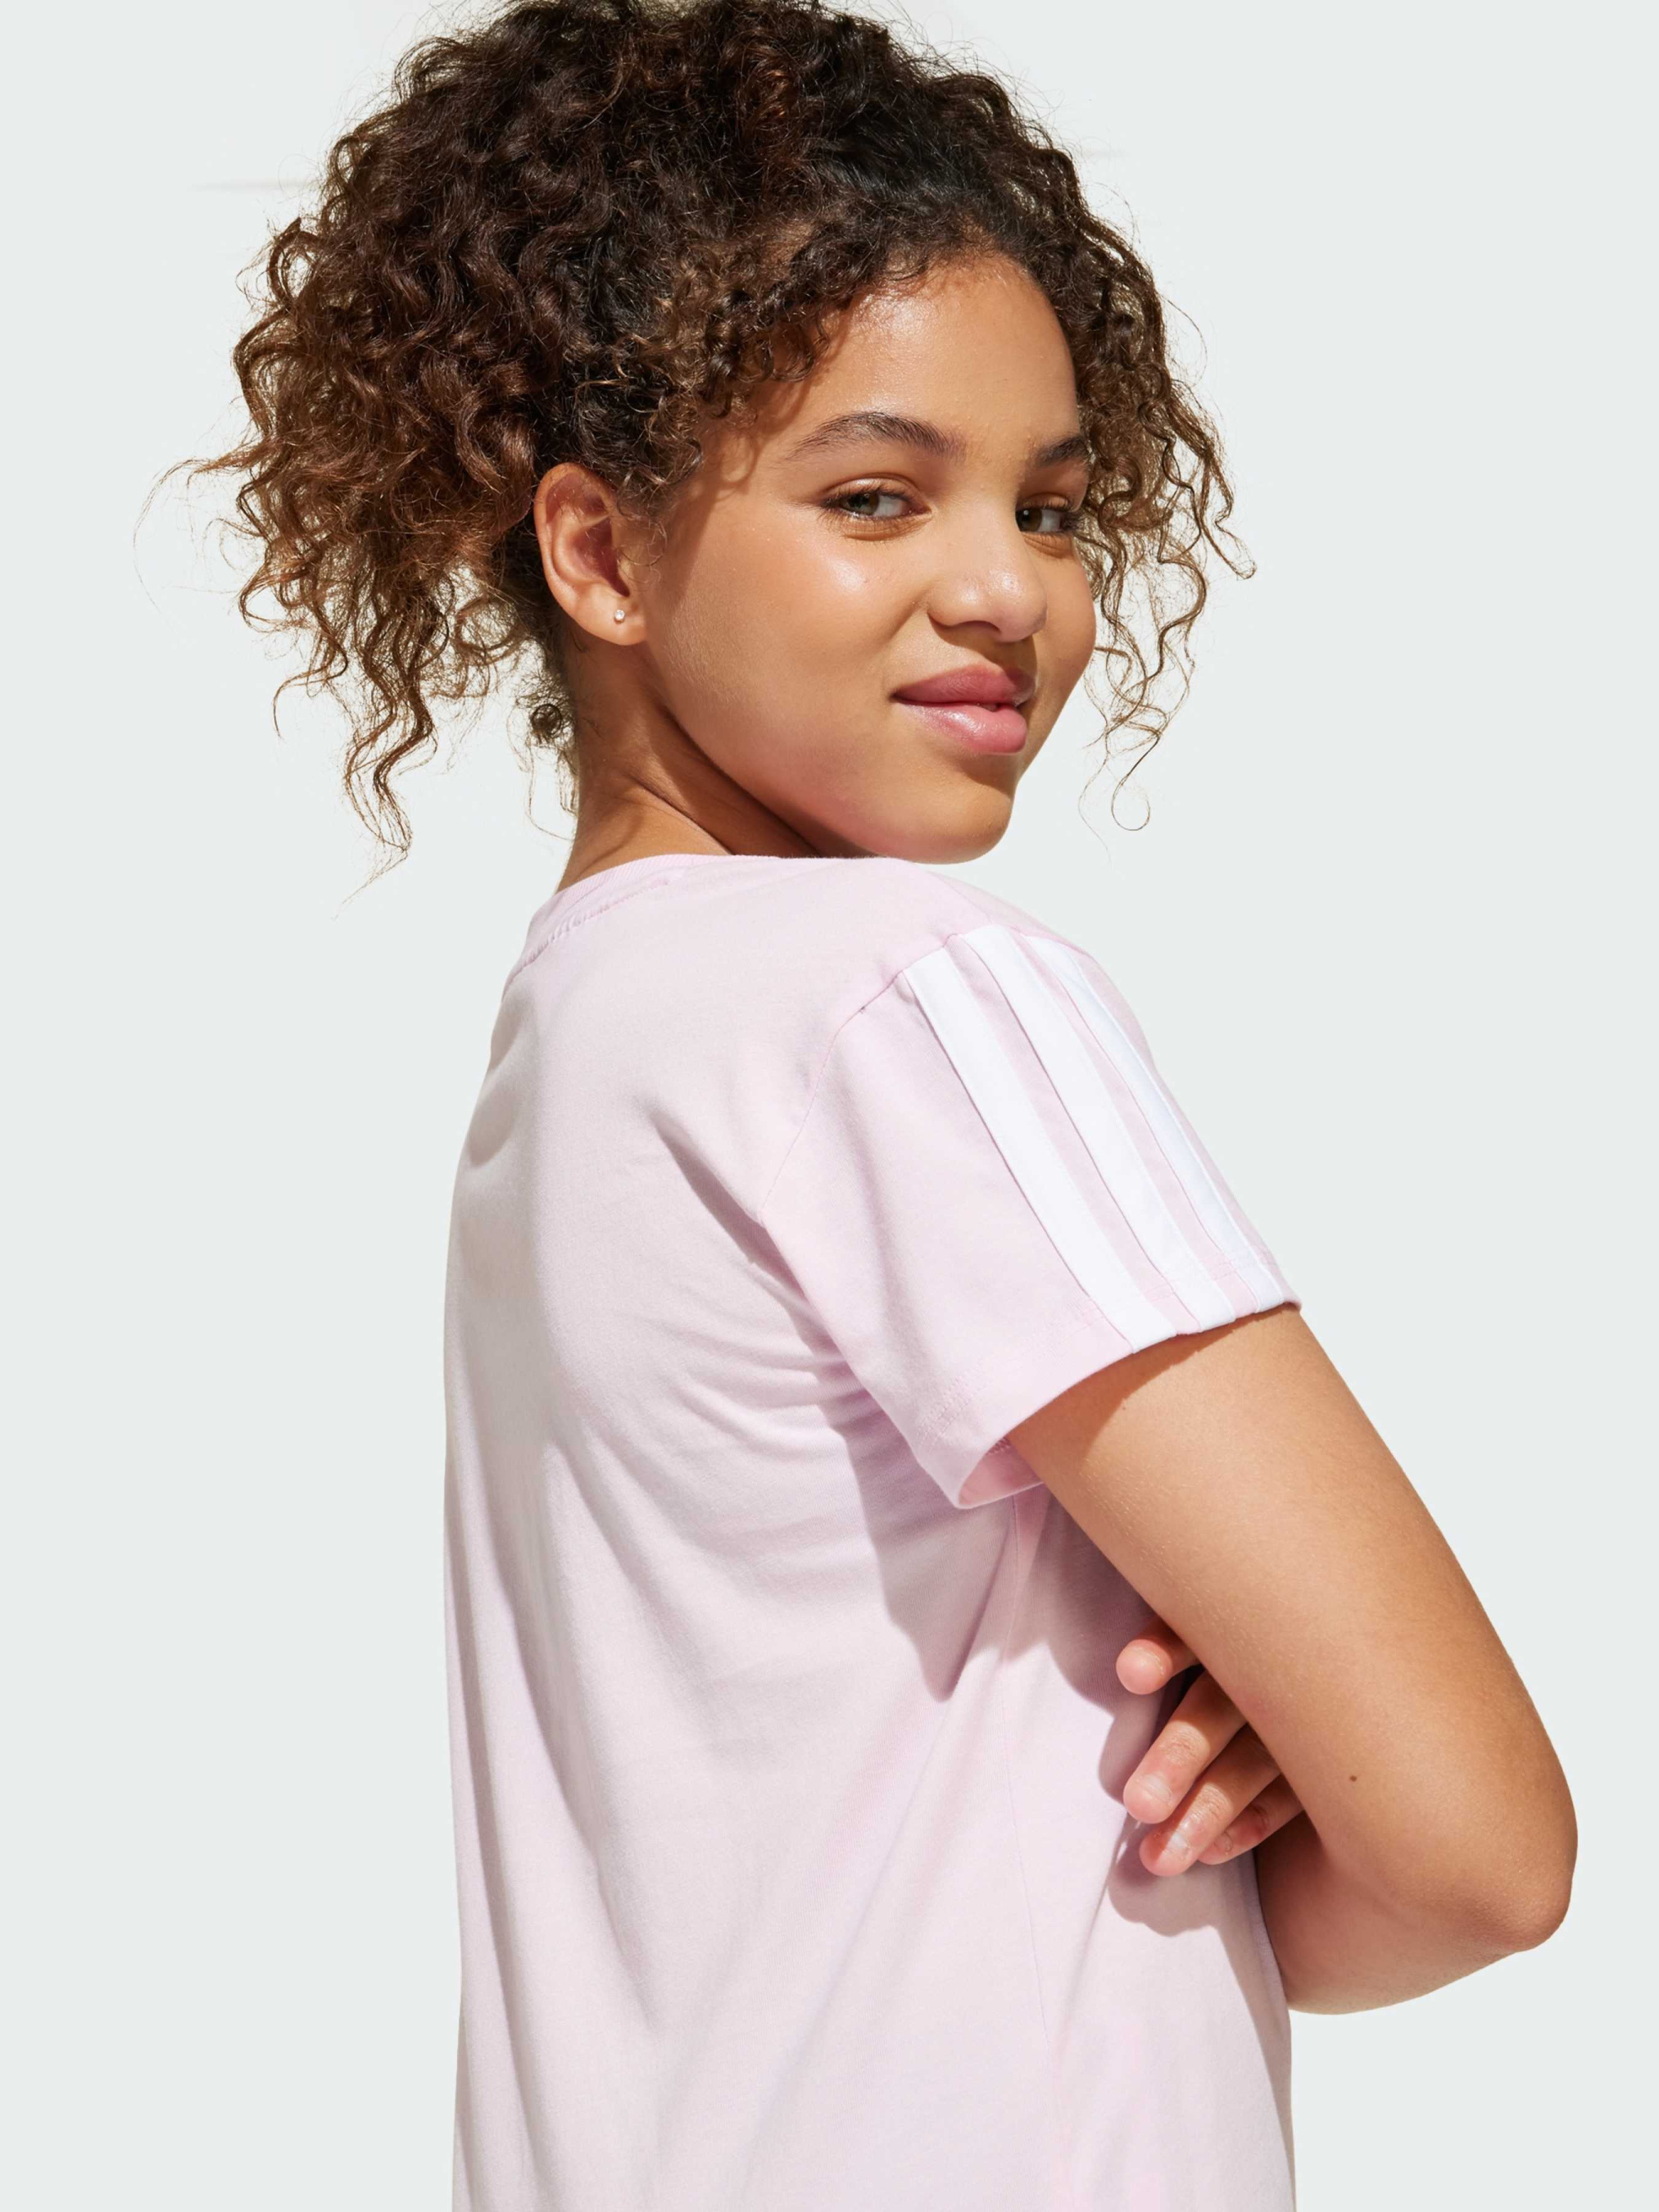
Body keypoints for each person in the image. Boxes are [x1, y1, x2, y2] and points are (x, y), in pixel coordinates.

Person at [182, 2, 1576, 2204]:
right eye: (873, 496)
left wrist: (1271, 1752)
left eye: (1054, 505)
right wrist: (1291, 1798)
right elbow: (1480, 1850)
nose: (1007, 588)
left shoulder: (581, 1048)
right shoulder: (897, 995)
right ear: (599, 554)